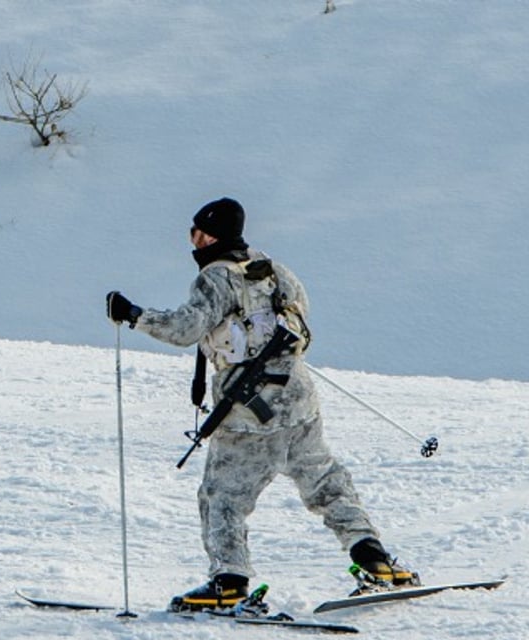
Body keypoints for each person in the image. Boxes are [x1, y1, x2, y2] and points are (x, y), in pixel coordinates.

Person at [106, 197, 416, 611]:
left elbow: (187, 328)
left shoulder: (215, 279)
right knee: (325, 482)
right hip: (298, 400)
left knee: (222, 497)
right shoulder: (270, 268)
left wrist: (133, 315)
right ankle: (375, 561)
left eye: (194, 232)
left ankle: (229, 581)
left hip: (248, 414)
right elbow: (301, 314)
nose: (191, 241)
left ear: (207, 235)